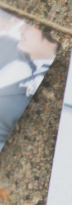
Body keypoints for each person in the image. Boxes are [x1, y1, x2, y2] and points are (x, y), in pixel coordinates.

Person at [0, 23, 59, 152]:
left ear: (54, 38)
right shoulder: (5, 43)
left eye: (29, 26)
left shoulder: (55, 86)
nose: (21, 29)